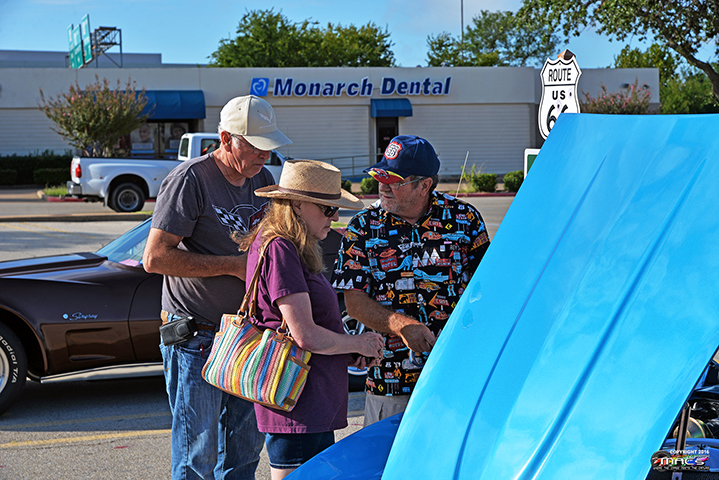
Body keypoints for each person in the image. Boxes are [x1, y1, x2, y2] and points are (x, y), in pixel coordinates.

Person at [142, 95, 292, 480]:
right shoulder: (190, 180)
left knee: (245, 451)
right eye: (255, 146)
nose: (265, 155)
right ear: (226, 139)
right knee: (198, 455)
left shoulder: (263, 179)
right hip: (196, 337)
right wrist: (233, 266)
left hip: (248, 335)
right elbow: (155, 258)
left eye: (268, 146)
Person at [234, 159, 385, 480]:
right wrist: (359, 342)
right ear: (298, 205)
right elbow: (305, 335)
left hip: (306, 401)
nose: (335, 217)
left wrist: (346, 349)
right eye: (328, 209)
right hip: (298, 403)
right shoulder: (281, 248)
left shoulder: (285, 245)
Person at [331, 135, 492, 426]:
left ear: (424, 185)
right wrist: (401, 326)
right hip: (391, 382)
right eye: (380, 177)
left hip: (457, 378)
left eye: (394, 181)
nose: (383, 186)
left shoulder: (465, 219)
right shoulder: (363, 227)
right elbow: (354, 303)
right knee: (386, 457)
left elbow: (489, 289)